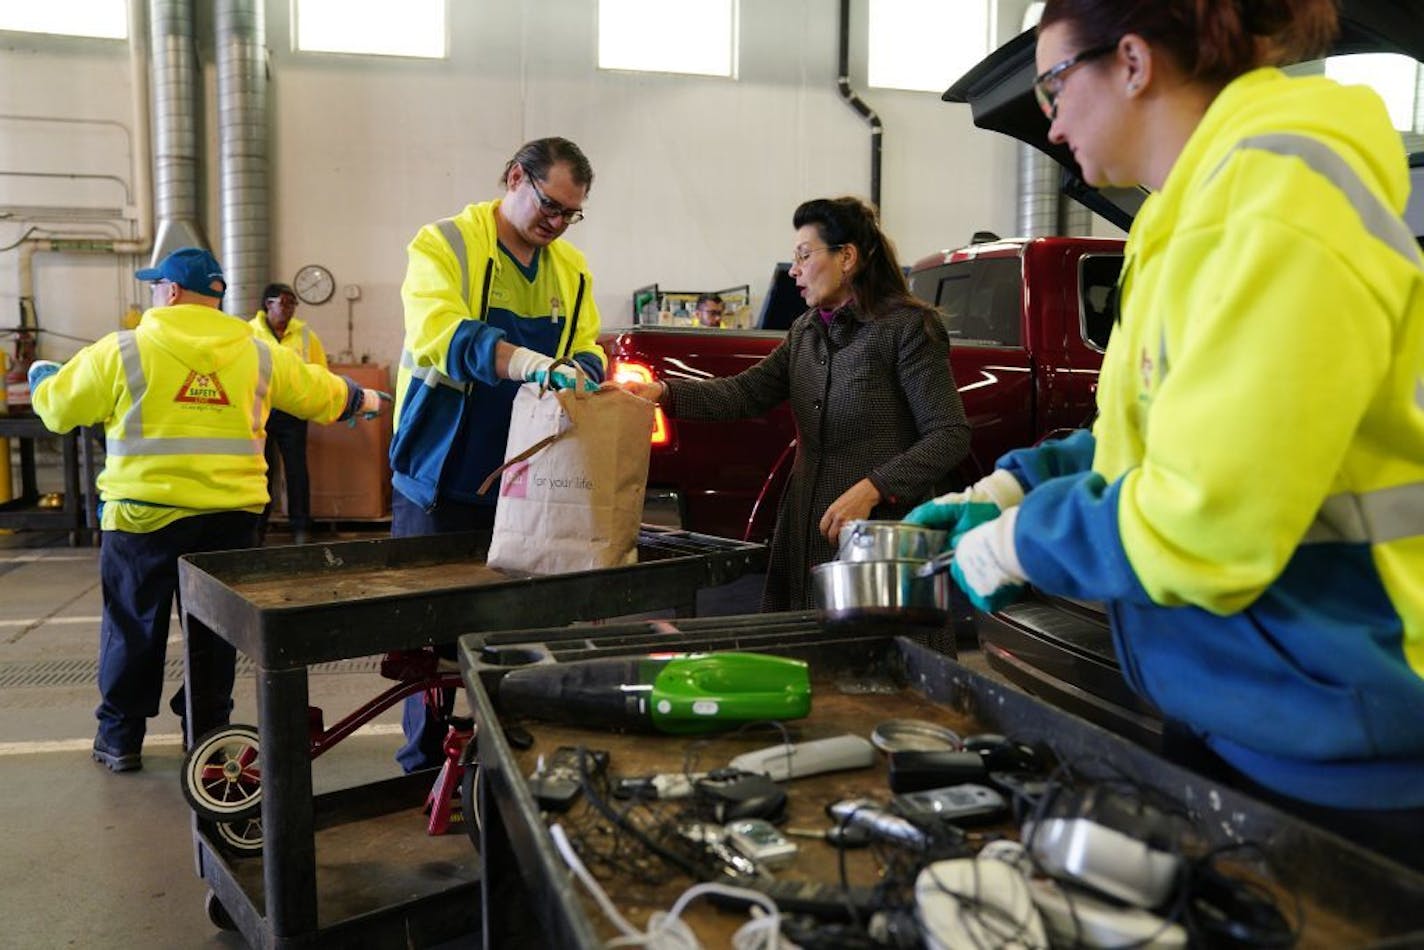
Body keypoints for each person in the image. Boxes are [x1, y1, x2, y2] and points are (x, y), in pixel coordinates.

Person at [906, 0, 1424, 867]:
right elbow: (1148, 441)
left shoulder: (1277, 202)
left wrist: (1016, 546)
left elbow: (1205, 518)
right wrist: (1014, 486)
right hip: (1243, 704)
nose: (1052, 118)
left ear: (1135, 63)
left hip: (1343, 735)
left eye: (1054, 84)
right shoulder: (1181, 215)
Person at [27, 247, 388, 772]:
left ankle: (120, 739)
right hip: (231, 521)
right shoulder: (257, 351)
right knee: (214, 632)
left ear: (170, 292)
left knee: (133, 626)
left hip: (142, 517)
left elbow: (59, 410)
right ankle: (207, 732)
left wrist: (42, 379)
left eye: (157, 285)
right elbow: (320, 394)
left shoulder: (123, 350)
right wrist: (369, 401)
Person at [619, 196, 970, 611]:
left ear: (848, 258)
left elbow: (949, 434)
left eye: (805, 256)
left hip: (874, 540)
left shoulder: (907, 329)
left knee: (873, 665)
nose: (796, 271)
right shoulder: (806, 331)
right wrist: (661, 393)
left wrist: (875, 488)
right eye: (794, 258)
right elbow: (744, 392)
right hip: (806, 530)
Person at [390, 136, 606, 771]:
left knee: (514, 633)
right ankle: (424, 765)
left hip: (523, 483)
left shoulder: (571, 269)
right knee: (427, 639)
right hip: (440, 472)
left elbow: (589, 341)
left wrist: (585, 368)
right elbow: (441, 333)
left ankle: (498, 767)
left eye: (571, 213)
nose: (557, 222)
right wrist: (534, 364)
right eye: (549, 204)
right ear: (515, 176)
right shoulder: (444, 244)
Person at [251, 282, 328, 544]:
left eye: (292, 304)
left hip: (294, 413)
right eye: (283, 303)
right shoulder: (248, 333)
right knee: (262, 472)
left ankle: (301, 528)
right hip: (260, 411)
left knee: (296, 471)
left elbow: (320, 374)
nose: (289, 309)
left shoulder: (306, 336)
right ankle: (257, 530)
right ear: (267, 304)